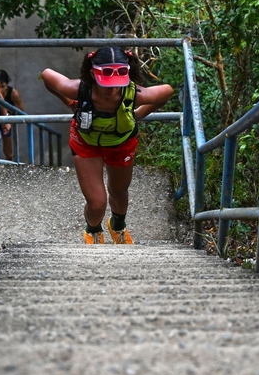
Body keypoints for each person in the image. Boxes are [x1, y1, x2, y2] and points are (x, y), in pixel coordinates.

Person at [41, 46, 174, 245]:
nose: (112, 90)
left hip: (121, 143)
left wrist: (138, 114)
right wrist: (70, 102)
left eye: (117, 83)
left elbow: (167, 92)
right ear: (93, 75)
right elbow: (46, 75)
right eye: (107, 84)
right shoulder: (78, 89)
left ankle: (118, 225)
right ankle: (93, 230)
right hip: (86, 143)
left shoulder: (132, 94)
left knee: (119, 192)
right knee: (97, 204)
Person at [0, 69, 25, 160]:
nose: (0, 90)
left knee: (8, 152)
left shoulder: (13, 94)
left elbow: (21, 112)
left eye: (3, 86)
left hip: (6, 121)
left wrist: (8, 119)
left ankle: (9, 166)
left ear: (7, 84)